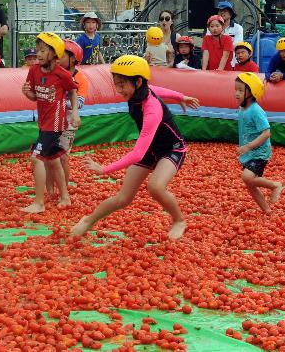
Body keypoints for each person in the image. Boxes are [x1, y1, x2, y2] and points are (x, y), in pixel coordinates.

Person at [72, 55, 200, 240]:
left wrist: (104, 169)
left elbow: (137, 153)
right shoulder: (138, 91)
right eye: (116, 84)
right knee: (123, 198)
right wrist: (181, 97)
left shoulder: (152, 110)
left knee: (155, 187)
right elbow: (157, 89)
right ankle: (88, 220)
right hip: (151, 149)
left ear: (138, 82)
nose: (119, 89)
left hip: (171, 149)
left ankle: (179, 220)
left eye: (122, 84)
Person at [21, 32, 79, 213]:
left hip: (55, 124)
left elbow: (73, 92)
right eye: (38, 50)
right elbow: (34, 97)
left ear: (55, 54)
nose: (38, 54)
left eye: (43, 51)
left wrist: (75, 113)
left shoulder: (62, 74)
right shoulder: (34, 71)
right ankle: (65, 197)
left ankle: (38, 203)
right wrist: (26, 93)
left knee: (36, 158)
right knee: (53, 160)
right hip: (43, 123)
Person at [235, 72, 283, 213]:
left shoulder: (256, 110)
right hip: (249, 152)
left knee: (247, 177)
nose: (236, 93)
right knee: (249, 183)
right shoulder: (242, 108)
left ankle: (275, 185)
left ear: (252, 92)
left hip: (259, 152)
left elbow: (266, 132)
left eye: (240, 90)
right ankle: (266, 210)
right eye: (235, 90)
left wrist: (248, 146)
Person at [46, 39, 89, 197]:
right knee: (48, 157)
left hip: (69, 120)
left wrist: (59, 99)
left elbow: (78, 103)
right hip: (51, 119)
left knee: (62, 156)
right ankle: (49, 190)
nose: (56, 59)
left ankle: (63, 191)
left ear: (73, 59)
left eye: (61, 56)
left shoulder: (81, 79)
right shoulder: (51, 74)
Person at [213, 0, 244, 65]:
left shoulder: (238, 28)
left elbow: (237, 45)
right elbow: (209, 44)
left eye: (225, 11)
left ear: (231, 14)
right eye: (220, 11)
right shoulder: (211, 27)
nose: (222, 13)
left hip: (232, 63)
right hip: (214, 63)